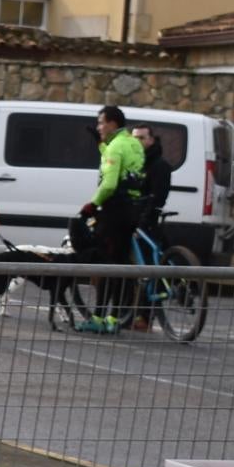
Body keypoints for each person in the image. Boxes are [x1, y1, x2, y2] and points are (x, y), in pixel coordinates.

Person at [69, 104, 152, 333]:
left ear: (113, 123)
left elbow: (110, 183)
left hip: (113, 210)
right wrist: (100, 143)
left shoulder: (116, 146)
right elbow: (117, 160)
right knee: (121, 265)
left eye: (101, 122)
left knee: (106, 265)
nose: (99, 126)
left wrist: (91, 205)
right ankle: (114, 318)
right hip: (132, 209)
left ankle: (97, 318)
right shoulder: (133, 143)